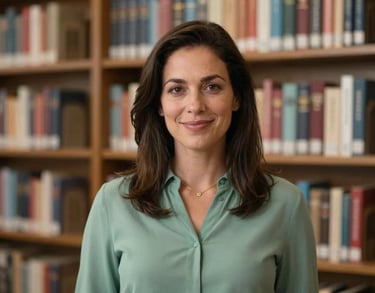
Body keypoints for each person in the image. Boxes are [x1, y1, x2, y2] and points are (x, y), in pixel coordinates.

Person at [75, 21, 319, 293]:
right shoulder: (113, 203)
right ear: (159, 103)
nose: (195, 106)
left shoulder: (286, 205)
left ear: (236, 97)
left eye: (212, 87)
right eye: (177, 89)